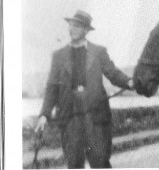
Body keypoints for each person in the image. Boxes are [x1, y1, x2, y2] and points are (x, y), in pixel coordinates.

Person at [35, 10, 134, 168]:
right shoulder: (58, 56)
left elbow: (112, 72)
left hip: (95, 115)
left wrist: (128, 82)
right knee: (74, 163)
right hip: (69, 116)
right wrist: (44, 115)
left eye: (77, 26)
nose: (71, 29)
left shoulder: (99, 52)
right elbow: (52, 88)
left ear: (86, 30)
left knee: (100, 161)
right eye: (70, 25)